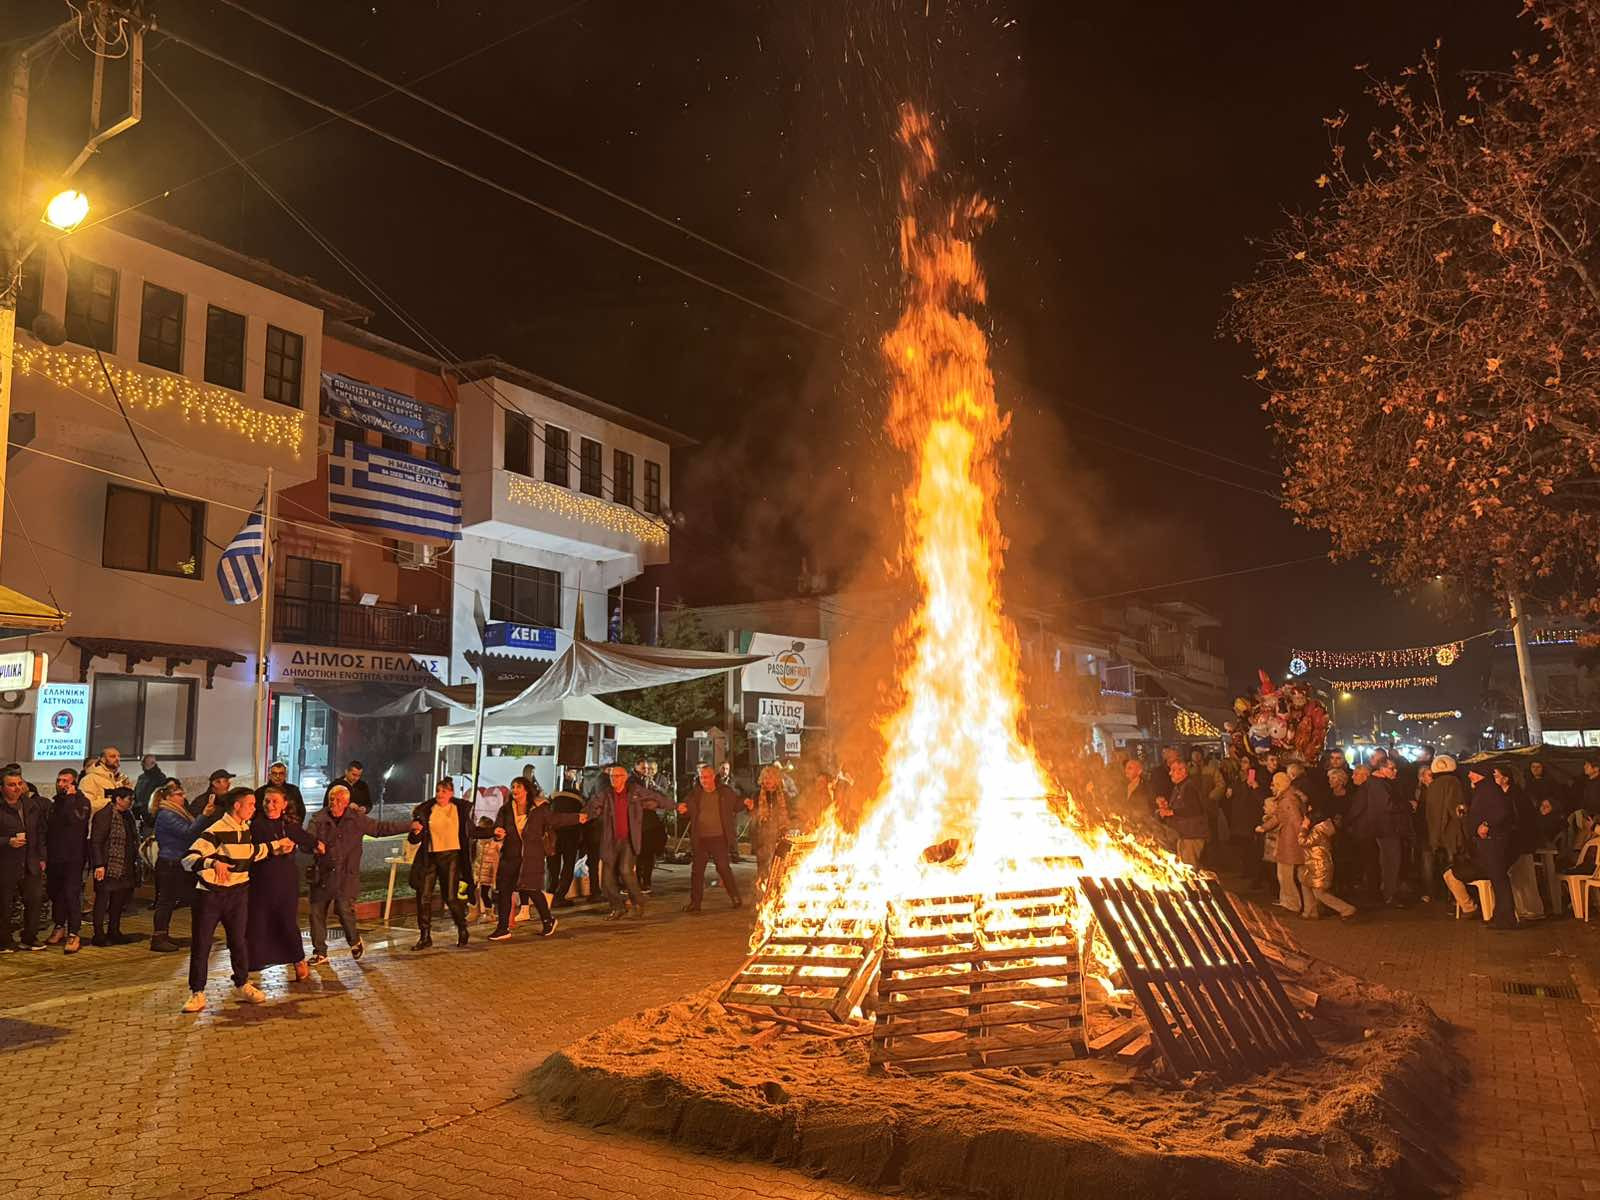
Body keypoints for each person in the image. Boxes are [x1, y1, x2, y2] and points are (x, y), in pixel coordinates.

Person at [181, 787, 296, 1013]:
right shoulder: (217, 830)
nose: (255, 808)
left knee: (239, 942)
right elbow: (188, 858)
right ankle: (197, 992)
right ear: (237, 806)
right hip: (210, 895)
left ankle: (242, 984)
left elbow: (250, 852)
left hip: (238, 894)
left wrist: (277, 846)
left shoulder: (244, 829)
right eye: (251, 804)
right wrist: (213, 863)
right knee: (202, 944)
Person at [305, 784, 418, 964]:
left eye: (339, 800)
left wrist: (409, 826)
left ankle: (354, 941)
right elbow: (306, 841)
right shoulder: (318, 819)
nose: (334, 803)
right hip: (323, 875)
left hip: (346, 875)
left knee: (344, 910)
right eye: (332, 799)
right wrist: (313, 845)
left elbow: (380, 828)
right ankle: (320, 952)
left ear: (346, 802)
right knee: (316, 912)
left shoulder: (356, 819)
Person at [493, 777, 586, 941]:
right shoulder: (505, 810)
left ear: (526, 790)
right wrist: (498, 833)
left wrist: (577, 818)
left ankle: (548, 920)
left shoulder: (539, 809)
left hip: (531, 857)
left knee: (532, 890)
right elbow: (498, 827)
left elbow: (555, 820)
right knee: (504, 891)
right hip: (510, 856)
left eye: (518, 787)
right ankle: (502, 928)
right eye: (513, 787)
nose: (515, 790)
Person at [246, 784, 320, 979]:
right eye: (266, 801)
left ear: (284, 804)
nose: (270, 805)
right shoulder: (255, 825)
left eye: (275, 801)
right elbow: (251, 850)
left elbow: (307, 839)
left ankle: (298, 959)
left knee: (286, 921)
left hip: (285, 881)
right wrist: (275, 848)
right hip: (260, 882)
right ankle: (253, 962)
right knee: (257, 922)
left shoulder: (288, 826)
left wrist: (318, 845)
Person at [408, 778, 479, 950]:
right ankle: (425, 936)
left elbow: (472, 831)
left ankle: (462, 928)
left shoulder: (458, 810)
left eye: (444, 791)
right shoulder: (427, 810)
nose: (440, 794)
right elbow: (414, 838)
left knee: (450, 897)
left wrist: (493, 831)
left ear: (451, 793)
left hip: (451, 856)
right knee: (423, 897)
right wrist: (416, 832)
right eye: (438, 790)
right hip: (430, 857)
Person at [587, 764, 654, 921]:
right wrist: (585, 814)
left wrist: (675, 806)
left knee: (625, 870)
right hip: (610, 840)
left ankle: (638, 902)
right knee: (606, 879)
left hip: (628, 840)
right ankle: (618, 907)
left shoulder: (633, 792)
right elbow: (592, 805)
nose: (614, 779)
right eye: (611, 776)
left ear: (624, 778)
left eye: (617, 776)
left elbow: (656, 798)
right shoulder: (606, 793)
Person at [678, 763, 743, 913]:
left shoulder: (724, 792)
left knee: (723, 868)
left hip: (719, 838)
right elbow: (686, 809)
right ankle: (695, 903)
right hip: (700, 839)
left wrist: (746, 802)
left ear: (713, 777)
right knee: (697, 871)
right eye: (701, 777)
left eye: (706, 777)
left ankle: (735, 897)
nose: (704, 780)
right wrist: (682, 809)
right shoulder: (695, 794)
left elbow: (736, 804)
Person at [0, 766, 48, 952]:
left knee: (34, 900)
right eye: (11, 785)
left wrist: (42, 857)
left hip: (30, 861)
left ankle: (29, 937)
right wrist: (7, 841)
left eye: (19, 783)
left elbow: (41, 833)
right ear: (2, 787)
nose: (17, 788)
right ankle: (4, 940)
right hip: (6, 862)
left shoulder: (31, 805)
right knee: (4, 904)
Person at [1466, 764, 1517, 930]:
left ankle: (1506, 919)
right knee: (1496, 879)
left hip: (1493, 841)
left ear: (1479, 774)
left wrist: (1487, 824)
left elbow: (1502, 811)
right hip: (1489, 841)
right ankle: (1500, 916)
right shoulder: (1484, 790)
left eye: (1472, 772)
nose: (1469, 775)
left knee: (1499, 878)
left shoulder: (1489, 790)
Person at [88, 786, 141, 945]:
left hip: (123, 865)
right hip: (108, 865)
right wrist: (99, 864)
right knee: (102, 900)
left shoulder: (128, 815)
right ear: (118, 799)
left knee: (118, 900)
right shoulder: (104, 815)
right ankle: (98, 934)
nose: (131, 802)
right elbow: (96, 842)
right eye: (129, 799)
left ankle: (114, 931)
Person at [44, 769, 90, 953]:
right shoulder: (55, 803)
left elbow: (76, 821)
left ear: (74, 783)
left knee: (71, 894)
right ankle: (59, 926)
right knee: (56, 894)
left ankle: (74, 932)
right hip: (55, 857)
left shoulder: (82, 802)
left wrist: (71, 799)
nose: (61, 784)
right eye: (59, 780)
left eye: (65, 781)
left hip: (73, 857)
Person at [150, 780, 197, 953]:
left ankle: (163, 935)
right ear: (168, 797)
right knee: (166, 901)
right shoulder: (167, 814)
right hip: (170, 862)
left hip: (176, 860)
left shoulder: (176, 812)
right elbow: (188, 832)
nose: (183, 797)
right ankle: (158, 938)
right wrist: (204, 817)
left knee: (170, 900)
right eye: (179, 794)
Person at [1498, 765, 1545, 921]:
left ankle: (1533, 910)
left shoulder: (1517, 795)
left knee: (1525, 874)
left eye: (1497, 776)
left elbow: (1524, 819)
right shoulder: (1502, 795)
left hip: (1521, 840)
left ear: (1506, 778)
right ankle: (1522, 909)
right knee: (1516, 876)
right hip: (1511, 840)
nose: (1494, 779)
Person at [1421, 755, 1468, 903]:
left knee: (1442, 866)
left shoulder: (1433, 786)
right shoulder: (1454, 783)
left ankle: (1442, 895)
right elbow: (1457, 809)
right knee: (1455, 867)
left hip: (1435, 834)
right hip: (1452, 833)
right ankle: (1457, 899)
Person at [1299, 803, 1356, 920]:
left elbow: (1303, 842)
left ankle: (1347, 909)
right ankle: (1310, 912)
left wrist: (1303, 828)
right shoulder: (1322, 829)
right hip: (1314, 864)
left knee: (1320, 893)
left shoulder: (1318, 831)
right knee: (1306, 883)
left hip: (1319, 866)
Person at [1366, 759, 1411, 907]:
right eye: (1392, 768)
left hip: (1387, 828)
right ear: (1382, 769)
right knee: (1391, 862)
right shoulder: (1378, 785)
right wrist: (1407, 805)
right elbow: (1387, 805)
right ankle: (1390, 894)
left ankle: (1389, 891)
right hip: (1387, 829)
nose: (1395, 771)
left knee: (1390, 861)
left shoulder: (1380, 783)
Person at [745, 765, 789, 893]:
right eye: (765, 777)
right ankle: (763, 891)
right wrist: (750, 808)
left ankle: (778, 890)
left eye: (770, 777)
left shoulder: (783, 795)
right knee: (763, 865)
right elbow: (752, 814)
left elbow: (791, 812)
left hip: (779, 834)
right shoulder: (756, 794)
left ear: (776, 779)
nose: (767, 780)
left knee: (778, 864)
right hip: (762, 835)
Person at [1269, 771, 1307, 913]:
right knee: (1289, 874)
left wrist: (1302, 838)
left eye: (1274, 784)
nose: (1272, 787)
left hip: (1290, 842)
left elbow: (1296, 821)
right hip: (1290, 840)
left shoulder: (1287, 800)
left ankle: (1291, 903)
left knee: (1285, 874)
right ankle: (1291, 902)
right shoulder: (1290, 797)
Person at [546, 773, 585, 907]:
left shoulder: (554, 798)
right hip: (571, 836)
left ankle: (550, 894)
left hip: (554, 835)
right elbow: (583, 820)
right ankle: (560, 896)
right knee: (568, 866)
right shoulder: (579, 801)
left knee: (553, 867)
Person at [1159, 760, 1208, 866]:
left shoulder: (1189, 787)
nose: (1170, 773)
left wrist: (1171, 812)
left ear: (1183, 771)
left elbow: (1194, 809)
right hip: (1184, 834)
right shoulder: (1179, 787)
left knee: (1189, 866)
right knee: (1184, 865)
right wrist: (1166, 807)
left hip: (1192, 835)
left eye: (1173, 770)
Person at [79, 747, 133, 820]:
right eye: (112, 756)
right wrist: (111, 801)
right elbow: (85, 806)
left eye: (118, 756)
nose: (117, 759)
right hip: (98, 823)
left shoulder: (121, 780)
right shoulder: (90, 779)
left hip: (118, 822)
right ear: (103, 759)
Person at [132, 754, 164, 834]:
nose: (141, 765)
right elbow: (137, 794)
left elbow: (159, 797)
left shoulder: (160, 778)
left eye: (143, 762)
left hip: (152, 815)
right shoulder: (141, 777)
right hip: (142, 814)